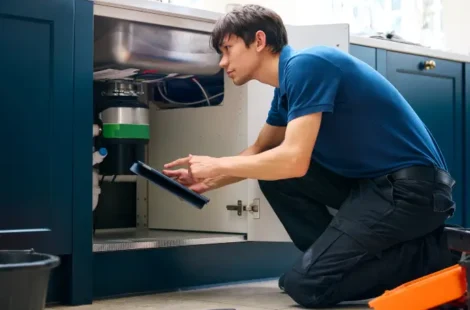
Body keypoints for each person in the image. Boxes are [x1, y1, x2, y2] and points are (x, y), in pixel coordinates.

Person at [162, 4, 457, 308]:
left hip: (413, 192)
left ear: (259, 41)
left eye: (227, 48)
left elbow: (293, 159)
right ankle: (321, 266)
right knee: (276, 181)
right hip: (376, 189)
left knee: (305, 287)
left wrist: (219, 164)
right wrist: (210, 178)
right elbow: (260, 152)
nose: (223, 62)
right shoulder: (286, 88)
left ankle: (433, 256)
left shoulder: (308, 65)